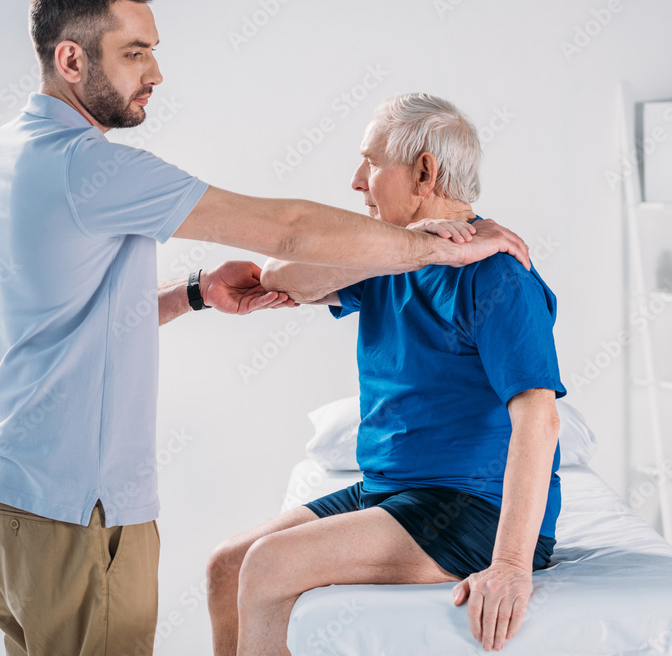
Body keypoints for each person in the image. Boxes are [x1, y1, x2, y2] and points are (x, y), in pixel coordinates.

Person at [0, 0, 531, 654]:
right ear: (70, 59)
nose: (155, 73)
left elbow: (74, 312)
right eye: (134, 53)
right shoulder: (91, 166)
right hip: (80, 509)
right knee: (232, 568)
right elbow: (287, 232)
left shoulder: (1, 152)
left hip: (7, 501)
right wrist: (438, 242)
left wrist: (195, 292)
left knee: (233, 565)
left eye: (152, 51)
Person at [206, 93, 565, 655]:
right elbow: (278, 274)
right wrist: (421, 247)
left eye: (371, 163)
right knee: (227, 564)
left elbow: (539, 420)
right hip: (391, 493)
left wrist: (511, 566)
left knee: (269, 565)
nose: (356, 180)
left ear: (425, 171)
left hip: (472, 505)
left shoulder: (498, 275)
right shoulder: (389, 256)